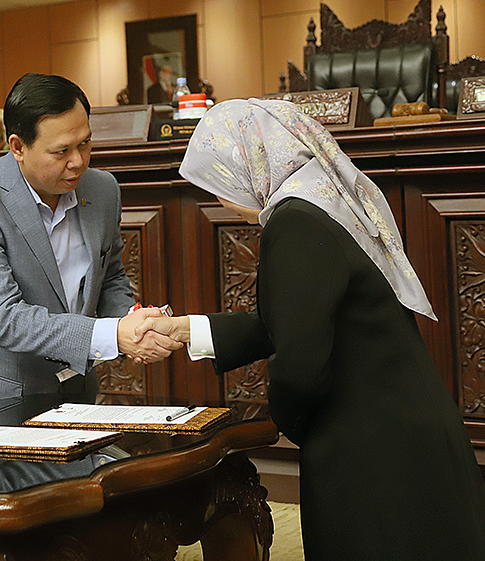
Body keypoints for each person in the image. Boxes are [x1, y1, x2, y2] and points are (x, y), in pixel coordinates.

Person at [133, 98, 485, 560]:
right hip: (402, 433)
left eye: (215, 183)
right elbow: (294, 318)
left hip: (373, 452)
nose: (219, 200)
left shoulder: (295, 221)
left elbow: (300, 363)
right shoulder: (322, 200)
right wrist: (185, 331)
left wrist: (289, 423)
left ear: (247, 164)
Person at [0, 72, 168, 416]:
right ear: (18, 147)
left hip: (74, 395)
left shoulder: (102, 190)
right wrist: (113, 334)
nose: (78, 161)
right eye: (61, 151)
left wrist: (134, 321)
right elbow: (4, 318)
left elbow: (110, 275)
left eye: (85, 143)